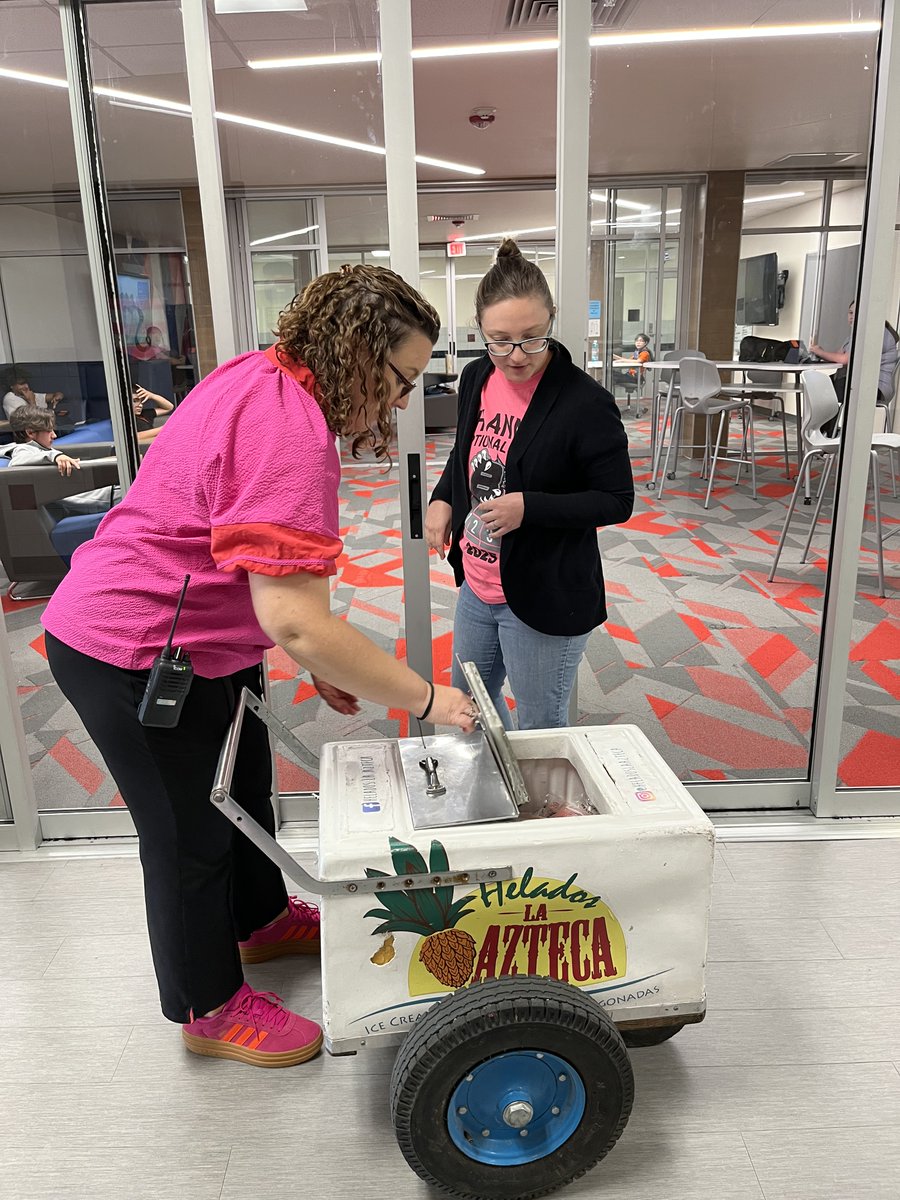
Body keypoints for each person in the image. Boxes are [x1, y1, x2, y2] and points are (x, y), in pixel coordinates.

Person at [41, 264, 477, 1069]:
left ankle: (261, 922)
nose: (406, 399)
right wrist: (426, 698)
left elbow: (263, 576)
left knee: (242, 791)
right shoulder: (291, 432)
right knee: (185, 838)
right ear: (357, 352)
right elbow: (298, 619)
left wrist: (306, 650)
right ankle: (207, 1006)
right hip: (130, 647)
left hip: (201, 639)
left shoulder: (265, 369)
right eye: (403, 378)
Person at [424, 240, 634, 732]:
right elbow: (468, 453)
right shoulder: (477, 376)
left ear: (552, 321)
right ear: (478, 330)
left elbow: (616, 500)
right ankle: (494, 794)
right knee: (468, 708)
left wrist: (529, 508)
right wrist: (442, 499)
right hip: (478, 583)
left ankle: (541, 808)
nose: (516, 356)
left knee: (540, 725)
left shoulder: (585, 403)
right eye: (499, 340)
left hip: (543, 590)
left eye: (532, 338)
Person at [1, 405, 117, 516]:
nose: (54, 435)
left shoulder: (38, 448)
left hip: (102, 493)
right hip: (102, 498)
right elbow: (18, 461)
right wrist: (55, 456)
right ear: (30, 432)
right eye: (49, 430)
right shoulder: (23, 449)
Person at [809, 301, 899, 432]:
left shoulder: (876, 333)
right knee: (824, 385)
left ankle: (827, 435)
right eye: (850, 313)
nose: (852, 316)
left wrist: (820, 352)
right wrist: (821, 352)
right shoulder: (854, 335)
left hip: (876, 388)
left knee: (829, 389)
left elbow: (844, 359)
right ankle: (826, 434)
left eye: (857, 313)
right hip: (863, 383)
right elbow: (839, 355)